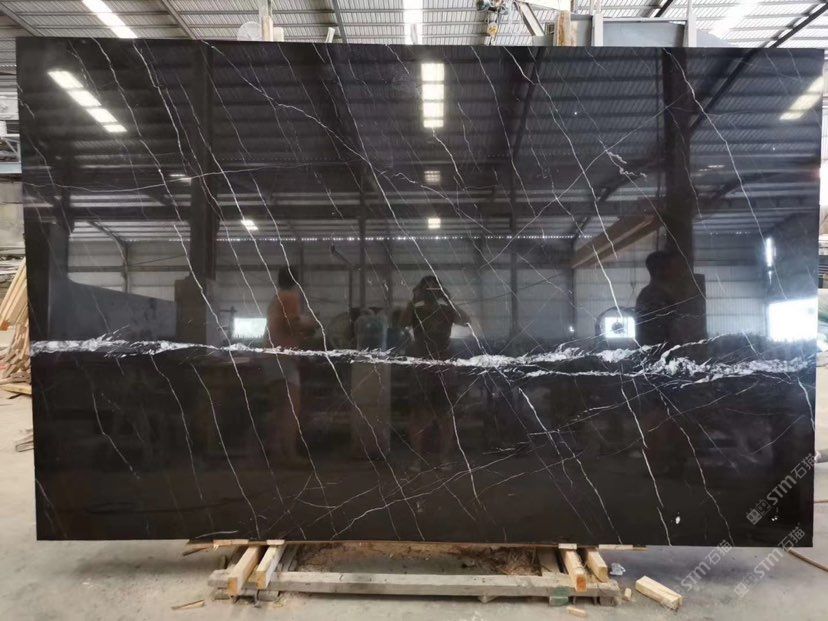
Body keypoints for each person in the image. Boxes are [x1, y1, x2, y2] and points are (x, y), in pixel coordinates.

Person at [400, 275, 470, 470]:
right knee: (418, 413)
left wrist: (448, 300)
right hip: (422, 365)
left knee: (445, 414)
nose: (430, 293)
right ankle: (417, 458)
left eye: (434, 289)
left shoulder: (447, 310)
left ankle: (444, 458)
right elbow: (401, 323)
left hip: (443, 365)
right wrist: (413, 301)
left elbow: (466, 321)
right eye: (427, 289)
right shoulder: (416, 310)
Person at [264, 266, 316, 465]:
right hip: (284, 356)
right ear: (296, 281)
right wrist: (310, 325)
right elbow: (291, 324)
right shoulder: (290, 297)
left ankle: (276, 452)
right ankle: (291, 456)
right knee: (291, 408)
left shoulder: (275, 299)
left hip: (270, 354)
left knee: (278, 408)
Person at [635, 250, 682, 347]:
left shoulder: (656, 294)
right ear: (660, 271)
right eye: (671, 268)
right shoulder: (653, 297)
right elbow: (656, 333)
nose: (676, 272)